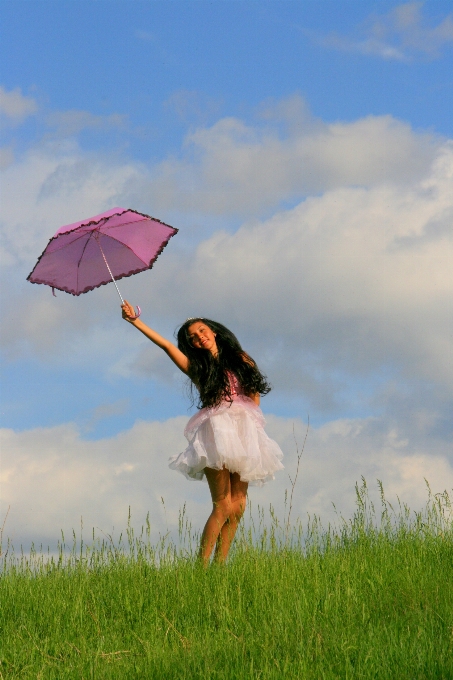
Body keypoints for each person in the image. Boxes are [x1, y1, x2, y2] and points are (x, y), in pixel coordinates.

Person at [121, 301, 284, 566]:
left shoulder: (242, 359)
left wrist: (252, 427)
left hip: (245, 431)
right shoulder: (197, 368)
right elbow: (166, 346)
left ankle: (219, 567)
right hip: (216, 431)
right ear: (192, 345)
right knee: (222, 504)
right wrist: (134, 321)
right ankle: (201, 566)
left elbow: (254, 397)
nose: (199, 337)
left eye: (201, 330)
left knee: (238, 505)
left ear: (214, 331)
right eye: (193, 337)